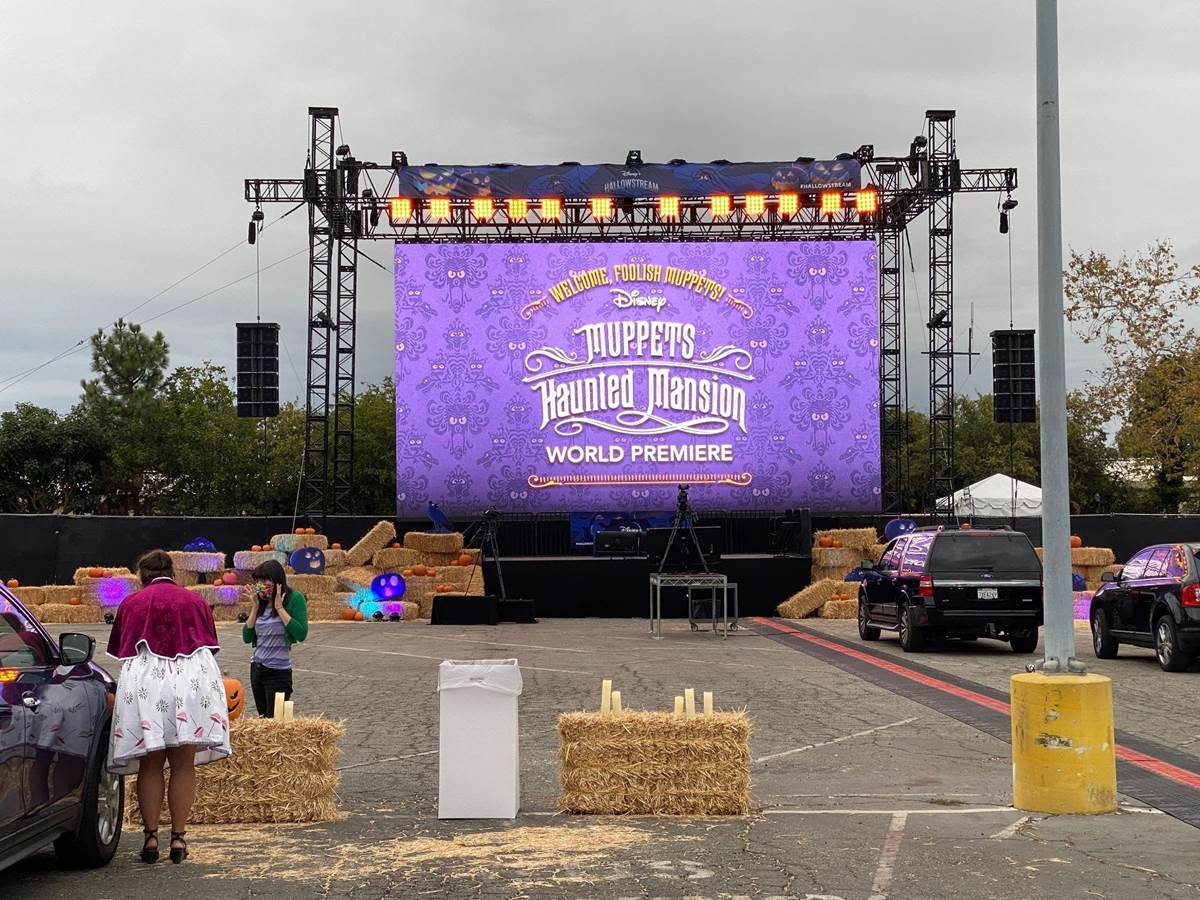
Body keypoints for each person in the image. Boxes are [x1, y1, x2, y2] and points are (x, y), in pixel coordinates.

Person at [107, 550, 231, 864]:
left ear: (142, 575)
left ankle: (150, 838)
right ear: (172, 573)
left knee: (150, 764)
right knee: (183, 763)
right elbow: (208, 646)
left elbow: (121, 649)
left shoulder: (131, 603)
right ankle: (178, 839)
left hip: (147, 681)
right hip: (190, 680)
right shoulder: (195, 601)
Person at [242, 560, 308, 717]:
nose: (262, 588)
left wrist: (279, 608)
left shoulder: (294, 599)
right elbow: (247, 637)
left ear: (278, 583)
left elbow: (301, 633)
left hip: (278, 672)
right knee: (263, 719)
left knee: (276, 719)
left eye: (266, 583)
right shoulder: (260, 603)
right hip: (257, 669)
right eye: (258, 583)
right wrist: (255, 607)